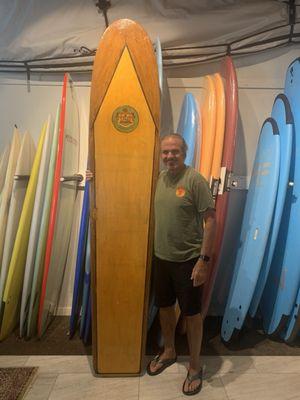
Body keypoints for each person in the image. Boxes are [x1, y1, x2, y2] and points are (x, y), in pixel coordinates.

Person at [147, 133, 216, 396]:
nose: (169, 156)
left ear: (184, 152)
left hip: (188, 261)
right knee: (165, 308)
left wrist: (203, 261)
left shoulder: (194, 180)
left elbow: (211, 221)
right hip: (161, 258)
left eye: (174, 151)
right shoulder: (160, 179)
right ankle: (169, 351)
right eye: (165, 152)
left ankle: (196, 366)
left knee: (192, 315)